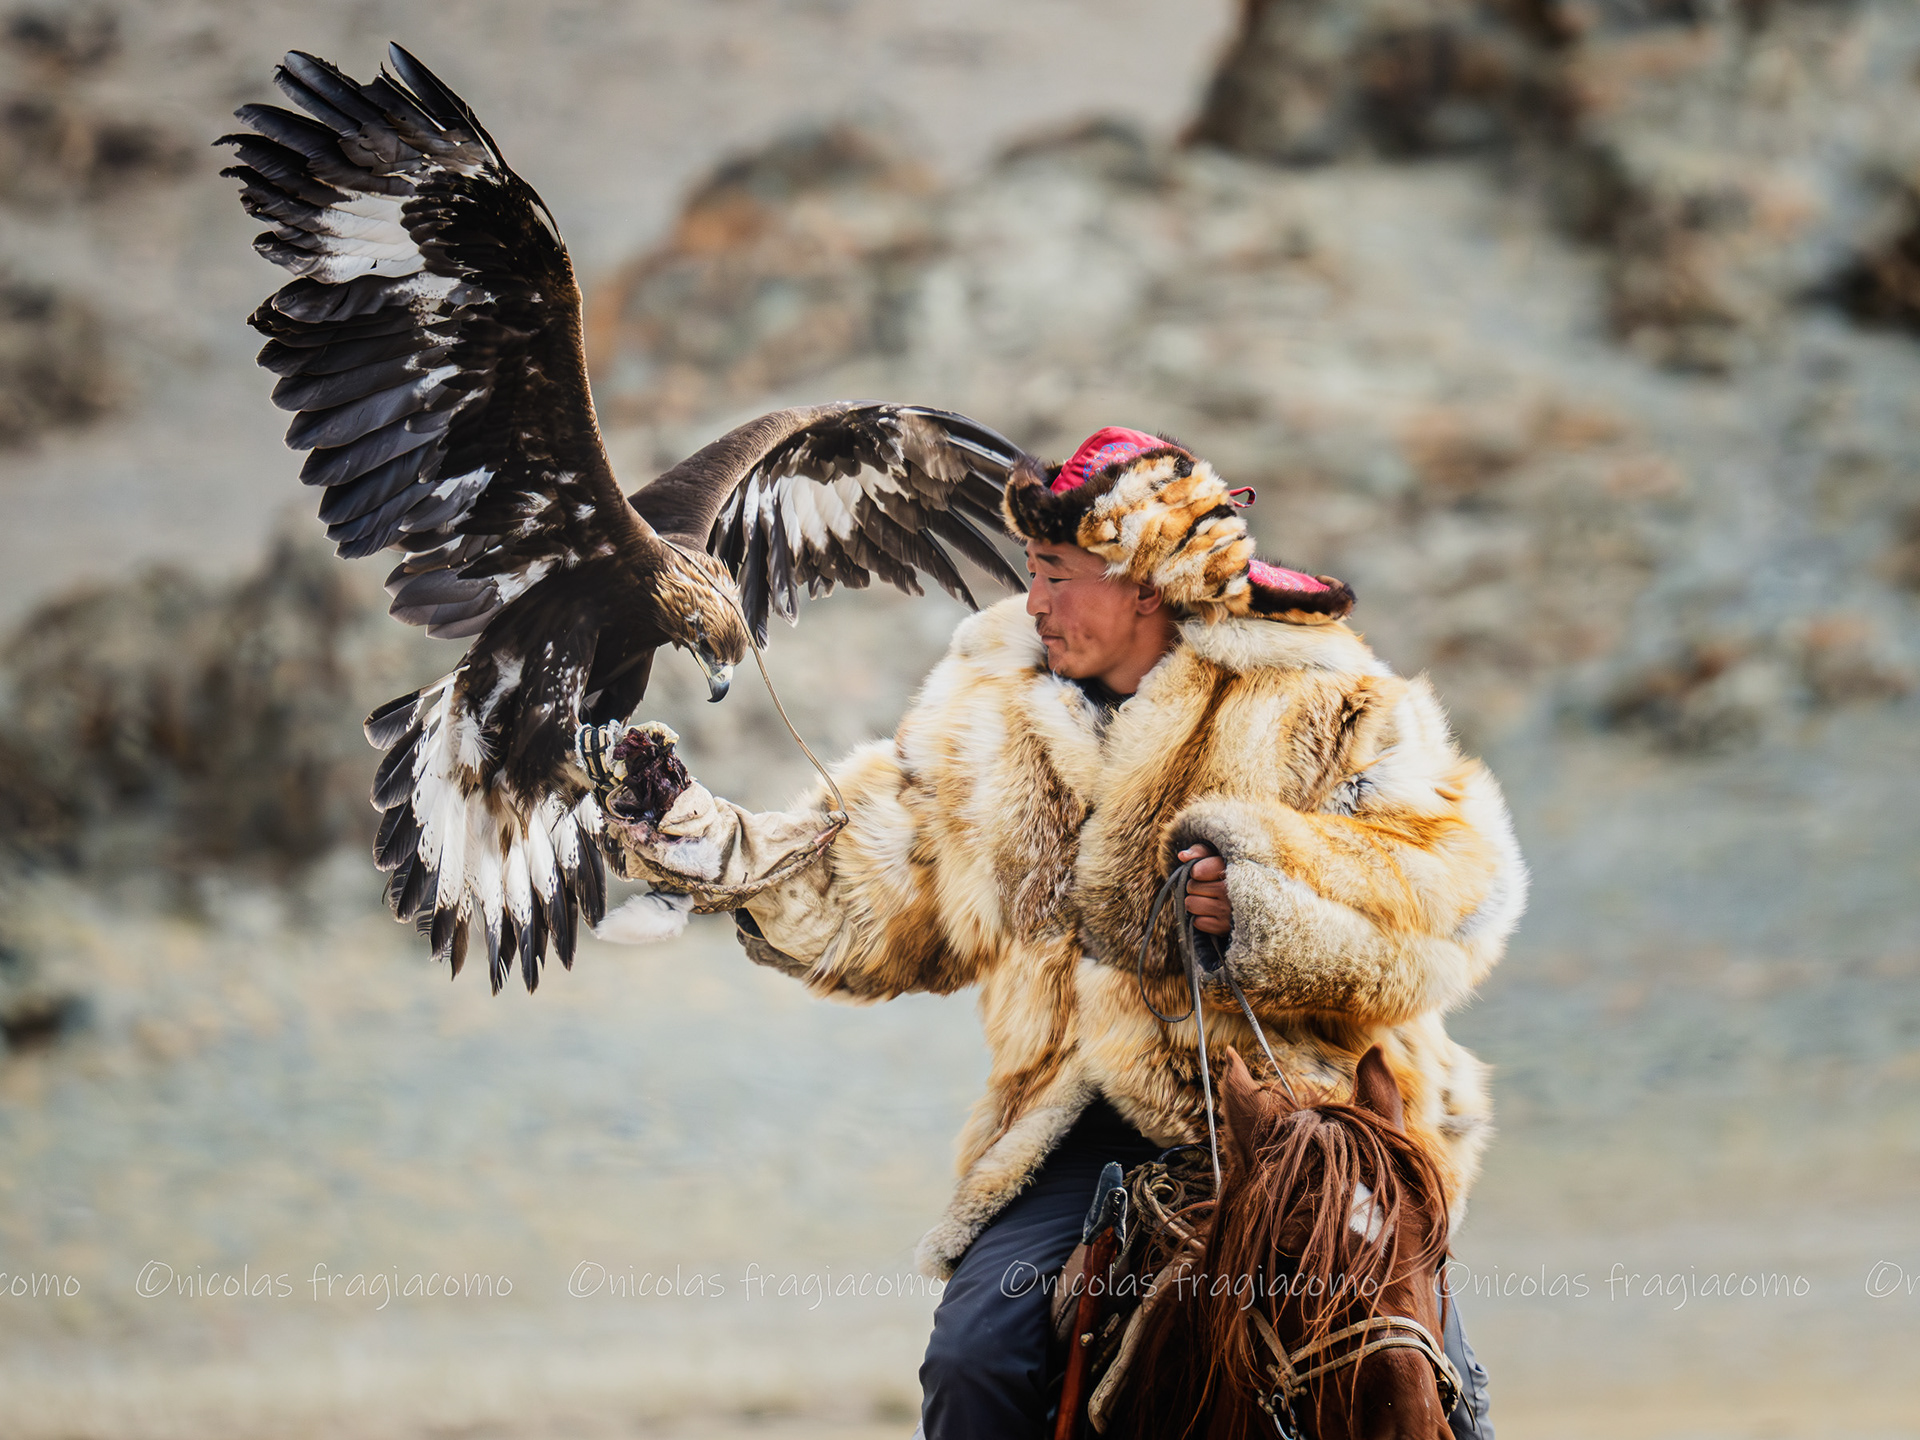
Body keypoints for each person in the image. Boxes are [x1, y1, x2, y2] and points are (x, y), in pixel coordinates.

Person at [602, 427, 1522, 1438]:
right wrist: (713, 846)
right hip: (1082, 1125)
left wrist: (1269, 905)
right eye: (1032, 571)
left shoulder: (1323, 697)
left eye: (1056, 575)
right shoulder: (993, 714)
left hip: (1318, 1113)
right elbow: (883, 892)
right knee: (974, 1357)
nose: (1033, 601)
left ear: (1146, 583)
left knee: (1414, 1368)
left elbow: (1461, 897)